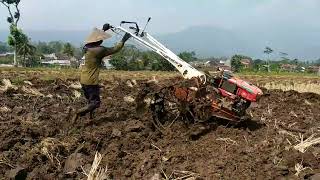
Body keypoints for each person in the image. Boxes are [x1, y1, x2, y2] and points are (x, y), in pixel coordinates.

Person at [73, 25, 131, 121]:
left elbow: (95, 38)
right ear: (98, 41)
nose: (102, 40)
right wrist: (124, 40)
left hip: (83, 80)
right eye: (101, 39)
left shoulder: (87, 47)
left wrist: (103, 30)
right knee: (95, 103)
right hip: (91, 81)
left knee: (90, 101)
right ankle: (78, 112)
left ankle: (91, 118)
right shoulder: (99, 50)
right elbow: (115, 49)